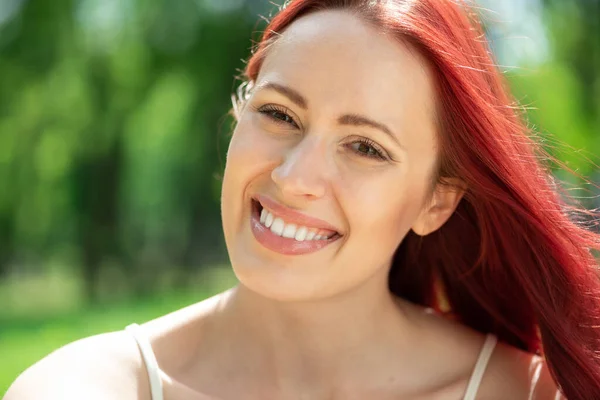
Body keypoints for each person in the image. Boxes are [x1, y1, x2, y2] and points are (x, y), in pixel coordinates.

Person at [5, 0, 600, 399]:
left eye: (365, 147)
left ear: (436, 204)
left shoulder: (524, 394)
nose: (294, 177)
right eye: (279, 113)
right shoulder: (84, 388)